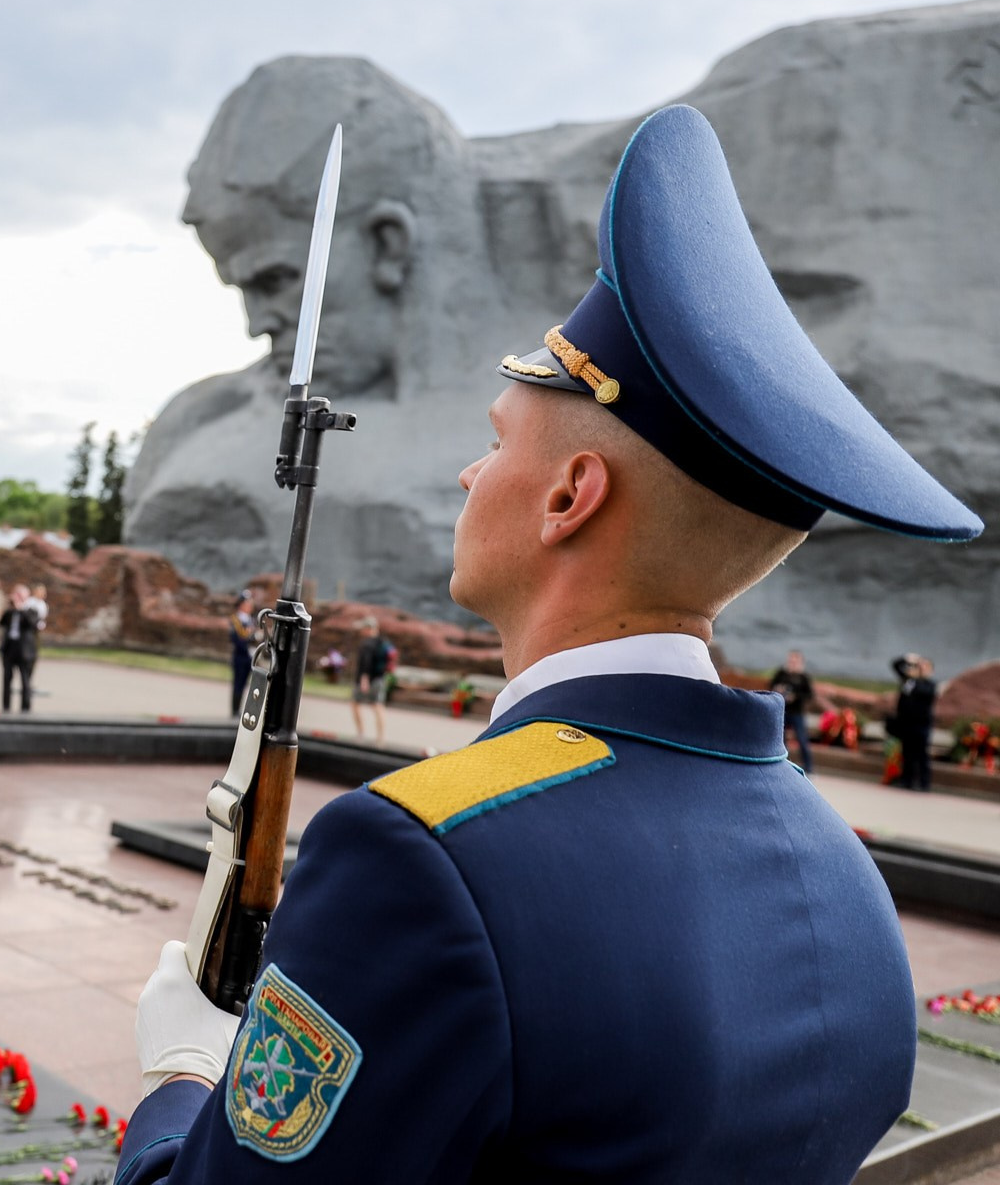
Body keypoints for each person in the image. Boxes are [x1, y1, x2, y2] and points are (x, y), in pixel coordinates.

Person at [120, 106, 968, 1183]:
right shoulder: (843, 874)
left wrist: (182, 1082)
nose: (473, 474)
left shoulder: (422, 859)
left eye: (496, 441)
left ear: (571, 494)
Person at [892, 653, 938, 792]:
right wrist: (908, 658)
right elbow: (895, 665)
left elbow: (924, 694)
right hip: (907, 724)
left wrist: (919, 676)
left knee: (921, 755)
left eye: (923, 666)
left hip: (921, 725)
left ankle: (924, 783)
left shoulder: (929, 685)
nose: (919, 668)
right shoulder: (908, 681)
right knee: (907, 753)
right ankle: (906, 780)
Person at [769, 649, 818, 773]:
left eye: (795, 661)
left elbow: (809, 695)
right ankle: (781, 764)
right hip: (783, 711)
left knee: (802, 739)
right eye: (791, 661)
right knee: (781, 739)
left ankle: (809, 767)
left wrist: (795, 696)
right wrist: (779, 689)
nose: (792, 664)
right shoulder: (781, 674)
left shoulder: (803, 678)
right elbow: (771, 686)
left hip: (797, 712)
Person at [348, 616, 392, 743]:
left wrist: (364, 679)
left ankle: (360, 734)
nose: (361, 631)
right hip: (380, 678)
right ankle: (380, 738)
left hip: (366, 679)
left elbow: (365, 662)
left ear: (368, 629)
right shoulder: (383, 641)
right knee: (378, 706)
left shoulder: (366, 644)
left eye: (363, 628)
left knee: (355, 703)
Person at [0, 583, 40, 713]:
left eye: (21, 594)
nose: (18, 597)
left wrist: (21, 609)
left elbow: (33, 624)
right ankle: (6, 707)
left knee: (25, 681)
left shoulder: (32, 610)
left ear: (27, 596)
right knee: (6, 680)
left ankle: (25, 709)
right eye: (17, 594)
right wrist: (10, 607)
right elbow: (1, 623)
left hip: (25, 651)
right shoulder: (10, 611)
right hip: (10, 649)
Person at [228, 592, 259, 715]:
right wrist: (249, 640)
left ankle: (243, 710)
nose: (249, 606)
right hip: (240, 656)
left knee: (248, 684)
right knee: (238, 684)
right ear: (241, 605)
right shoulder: (236, 619)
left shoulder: (251, 619)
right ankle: (235, 710)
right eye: (247, 603)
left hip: (250, 656)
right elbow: (237, 639)